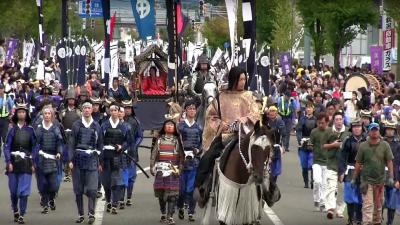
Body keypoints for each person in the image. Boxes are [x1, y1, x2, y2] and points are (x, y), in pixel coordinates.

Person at [202, 66, 260, 151]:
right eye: (240, 80)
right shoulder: (220, 97)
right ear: (233, 80)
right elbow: (211, 117)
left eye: (244, 79)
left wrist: (245, 119)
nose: (243, 82)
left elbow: (256, 115)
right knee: (206, 160)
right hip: (224, 137)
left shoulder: (250, 96)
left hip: (246, 137)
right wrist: (221, 124)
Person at [352, 123, 395, 225]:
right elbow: (358, 162)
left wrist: (391, 177)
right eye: (372, 130)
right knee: (367, 205)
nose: (374, 132)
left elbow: (389, 161)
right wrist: (354, 178)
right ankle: (366, 222)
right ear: (369, 132)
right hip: (366, 180)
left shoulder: (385, 145)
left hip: (380, 181)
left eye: (376, 130)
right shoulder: (363, 146)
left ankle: (377, 222)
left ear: (379, 131)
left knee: (379, 205)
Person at [69, 100, 103, 224]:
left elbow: (100, 144)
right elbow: (71, 143)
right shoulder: (76, 125)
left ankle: (91, 213)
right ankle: (81, 214)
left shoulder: (96, 126)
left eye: (89, 108)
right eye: (85, 108)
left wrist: (100, 160)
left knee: (93, 189)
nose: (87, 110)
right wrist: (70, 159)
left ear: (92, 110)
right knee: (78, 189)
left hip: (92, 159)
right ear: (82, 110)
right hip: (78, 158)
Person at [4, 103, 36, 224]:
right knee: (13, 190)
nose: (21, 114)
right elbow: (6, 146)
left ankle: (22, 214)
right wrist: (8, 161)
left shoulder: (30, 130)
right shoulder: (12, 130)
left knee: (23, 191)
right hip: (13, 162)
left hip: (26, 162)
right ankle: (15, 209)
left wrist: (33, 159)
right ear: (16, 115)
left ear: (26, 114)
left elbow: (35, 146)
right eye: (19, 112)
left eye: (23, 112)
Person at [150, 120, 184, 225]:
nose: (169, 127)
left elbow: (182, 156)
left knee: (173, 195)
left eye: (172, 125)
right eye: (167, 125)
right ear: (164, 127)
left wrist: (180, 169)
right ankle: (163, 213)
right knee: (161, 194)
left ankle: (170, 217)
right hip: (161, 169)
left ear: (174, 128)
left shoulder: (178, 140)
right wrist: (152, 167)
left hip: (173, 170)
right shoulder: (159, 140)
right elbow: (154, 154)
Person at [100, 102, 130, 215]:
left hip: (118, 156)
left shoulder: (124, 126)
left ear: (118, 112)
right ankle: (108, 200)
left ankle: (114, 204)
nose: (113, 112)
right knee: (106, 182)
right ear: (109, 112)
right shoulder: (104, 125)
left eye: (115, 110)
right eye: (111, 110)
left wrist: (122, 146)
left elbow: (128, 141)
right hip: (106, 156)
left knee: (116, 181)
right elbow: (100, 141)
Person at [34, 105, 64, 214]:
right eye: (45, 113)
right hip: (41, 159)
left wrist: (59, 152)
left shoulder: (55, 128)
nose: (47, 115)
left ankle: (51, 198)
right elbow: (35, 143)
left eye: (49, 114)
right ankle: (45, 205)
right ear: (42, 115)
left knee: (53, 184)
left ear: (52, 115)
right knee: (42, 184)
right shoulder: (38, 128)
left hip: (52, 159)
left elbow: (60, 142)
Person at [177, 99, 202, 222]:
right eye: (189, 109)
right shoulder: (180, 126)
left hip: (194, 162)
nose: (192, 111)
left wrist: (198, 150)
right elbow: (176, 143)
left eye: (194, 109)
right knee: (181, 189)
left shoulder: (199, 127)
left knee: (191, 189)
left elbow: (202, 143)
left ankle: (191, 211)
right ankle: (180, 206)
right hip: (182, 162)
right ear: (185, 110)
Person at [324, 112, 350, 219]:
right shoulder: (328, 131)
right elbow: (323, 145)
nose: (339, 121)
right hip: (332, 163)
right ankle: (330, 208)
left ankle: (340, 209)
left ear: (343, 120)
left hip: (345, 165)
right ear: (333, 121)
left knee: (345, 189)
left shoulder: (348, 132)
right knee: (331, 187)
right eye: (337, 119)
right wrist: (333, 145)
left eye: (340, 119)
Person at [339, 119, 366, 225]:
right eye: (355, 127)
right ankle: (350, 219)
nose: (357, 129)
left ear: (362, 128)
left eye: (359, 127)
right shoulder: (347, 141)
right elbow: (342, 157)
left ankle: (359, 219)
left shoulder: (366, 140)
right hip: (350, 169)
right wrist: (341, 172)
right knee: (349, 196)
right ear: (352, 129)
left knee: (360, 196)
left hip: (363, 171)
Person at [122, 99, 142, 206]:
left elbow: (140, 136)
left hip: (132, 152)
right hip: (119, 152)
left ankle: (128, 197)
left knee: (131, 177)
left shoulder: (135, 121)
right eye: (125, 108)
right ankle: (119, 197)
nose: (127, 110)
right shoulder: (119, 120)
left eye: (129, 108)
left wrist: (135, 145)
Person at [309, 112, 330, 212]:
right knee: (317, 181)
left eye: (322, 123)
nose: (320, 125)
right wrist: (309, 146)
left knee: (324, 184)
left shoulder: (330, 132)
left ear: (327, 123)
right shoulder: (314, 132)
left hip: (327, 162)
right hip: (316, 161)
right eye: (319, 123)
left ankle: (323, 203)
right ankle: (316, 200)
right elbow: (310, 144)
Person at [60, 89, 81, 182]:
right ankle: (66, 173)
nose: (71, 101)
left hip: (74, 134)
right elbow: (60, 122)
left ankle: (73, 171)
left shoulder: (78, 112)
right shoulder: (63, 111)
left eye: (73, 99)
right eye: (69, 99)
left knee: (73, 153)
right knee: (65, 154)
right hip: (65, 134)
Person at [382, 121, 400, 225]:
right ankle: (378, 220)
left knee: (392, 202)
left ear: (394, 131)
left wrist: (398, 180)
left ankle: (390, 222)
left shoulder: (398, 144)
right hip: (380, 175)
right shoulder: (380, 142)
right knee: (380, 201)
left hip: (394, 176)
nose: (390, 131)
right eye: (388, 129)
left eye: (392, 129)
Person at [296, 103, 317, 188]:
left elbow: (317, 131)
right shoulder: (302, 119)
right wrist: (300, 140)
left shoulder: (316, 120)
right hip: (303, 143)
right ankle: (306, 182)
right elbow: (298, 130)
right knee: (304, 165)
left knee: (312, 164)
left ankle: (312, 181)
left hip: (313, 143)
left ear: (313, 109)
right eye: (307, 108)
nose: (308, 109)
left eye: (310, 108)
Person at [263, 105, 285, 182]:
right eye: (271, 111)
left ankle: (273, 180)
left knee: (276, 166)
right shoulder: (265, 121)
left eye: (274, 111)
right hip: (267, 145)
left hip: (276, 145)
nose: (272, 113)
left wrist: (283, 146)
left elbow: (283, 134)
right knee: (267, 163)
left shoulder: (279, 121)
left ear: (276, 113)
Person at [0, 83, 15, 157]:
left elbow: (12, 107)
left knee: (4, 136)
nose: (0, 90)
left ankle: (7, 153)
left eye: (1, 89)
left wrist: (11, 115)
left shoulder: (7, 97)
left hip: (5, 119)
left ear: (3, 89)